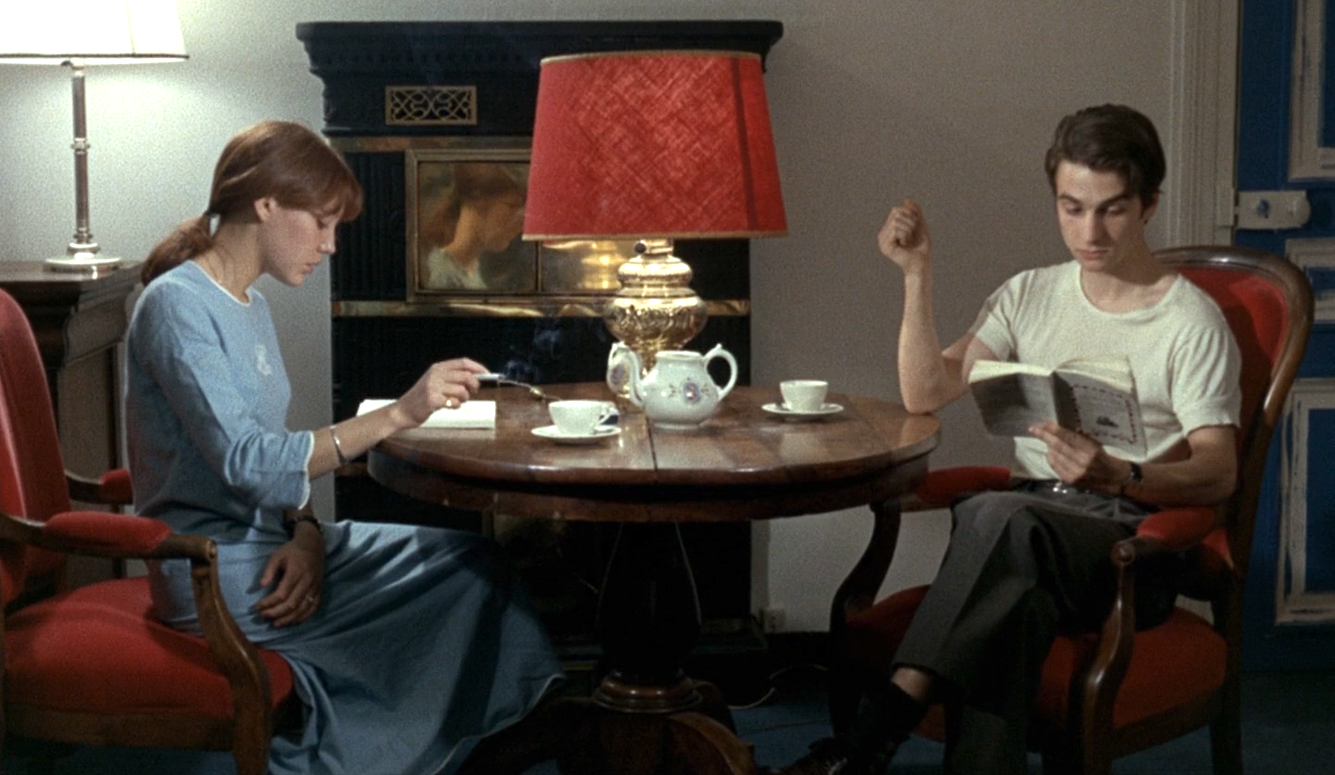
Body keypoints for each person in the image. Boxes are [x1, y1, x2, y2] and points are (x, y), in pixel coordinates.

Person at [776, 104, 1242, 775]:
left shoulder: (1188, 321)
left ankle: (873, 733)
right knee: (1011, 608)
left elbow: (1218, 472)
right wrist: (916, 276)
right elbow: (924, 393)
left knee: (994, 514)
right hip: (1026, 533)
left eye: (1111, 209)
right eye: (1071, 207)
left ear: (1148, 206)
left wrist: (1120, 476)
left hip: (1127, 544)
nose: (1089, 231)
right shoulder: (1029, 293)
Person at [126, 120, 563, 775]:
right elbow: (249, 462)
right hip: (215, 572)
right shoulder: (175, 307)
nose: (330, 246)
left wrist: (305, 533)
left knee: (475, 562)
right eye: (323, 223)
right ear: (266, 203)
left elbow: (274, 459)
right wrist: (401, 412)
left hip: (275, 546)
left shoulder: (247, 304)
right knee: (446, 596)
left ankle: (491, 737)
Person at [419, 162, 528, 291]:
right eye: (512, 206)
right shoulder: (440, 274)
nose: (522, 225)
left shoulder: (472, 269)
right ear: (478, 199)